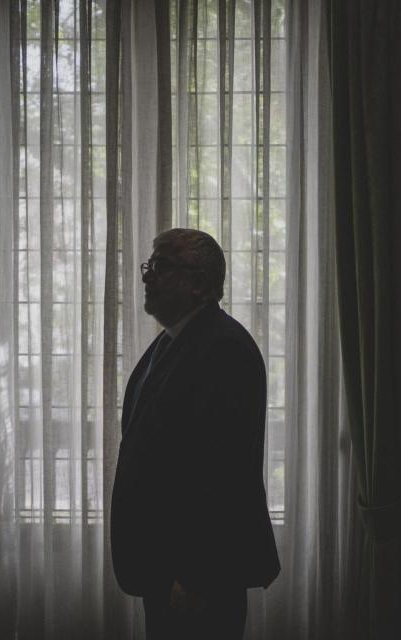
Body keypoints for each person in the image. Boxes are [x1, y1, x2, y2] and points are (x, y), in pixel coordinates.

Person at [110, 228, 280, 640]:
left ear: (199, 285)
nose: (148, 276)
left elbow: (223, 473)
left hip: (197, 578)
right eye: (149, 265)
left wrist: (195, 575)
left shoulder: (224, 348)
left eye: (162, 266)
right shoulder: (174, 342)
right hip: (166, 570)